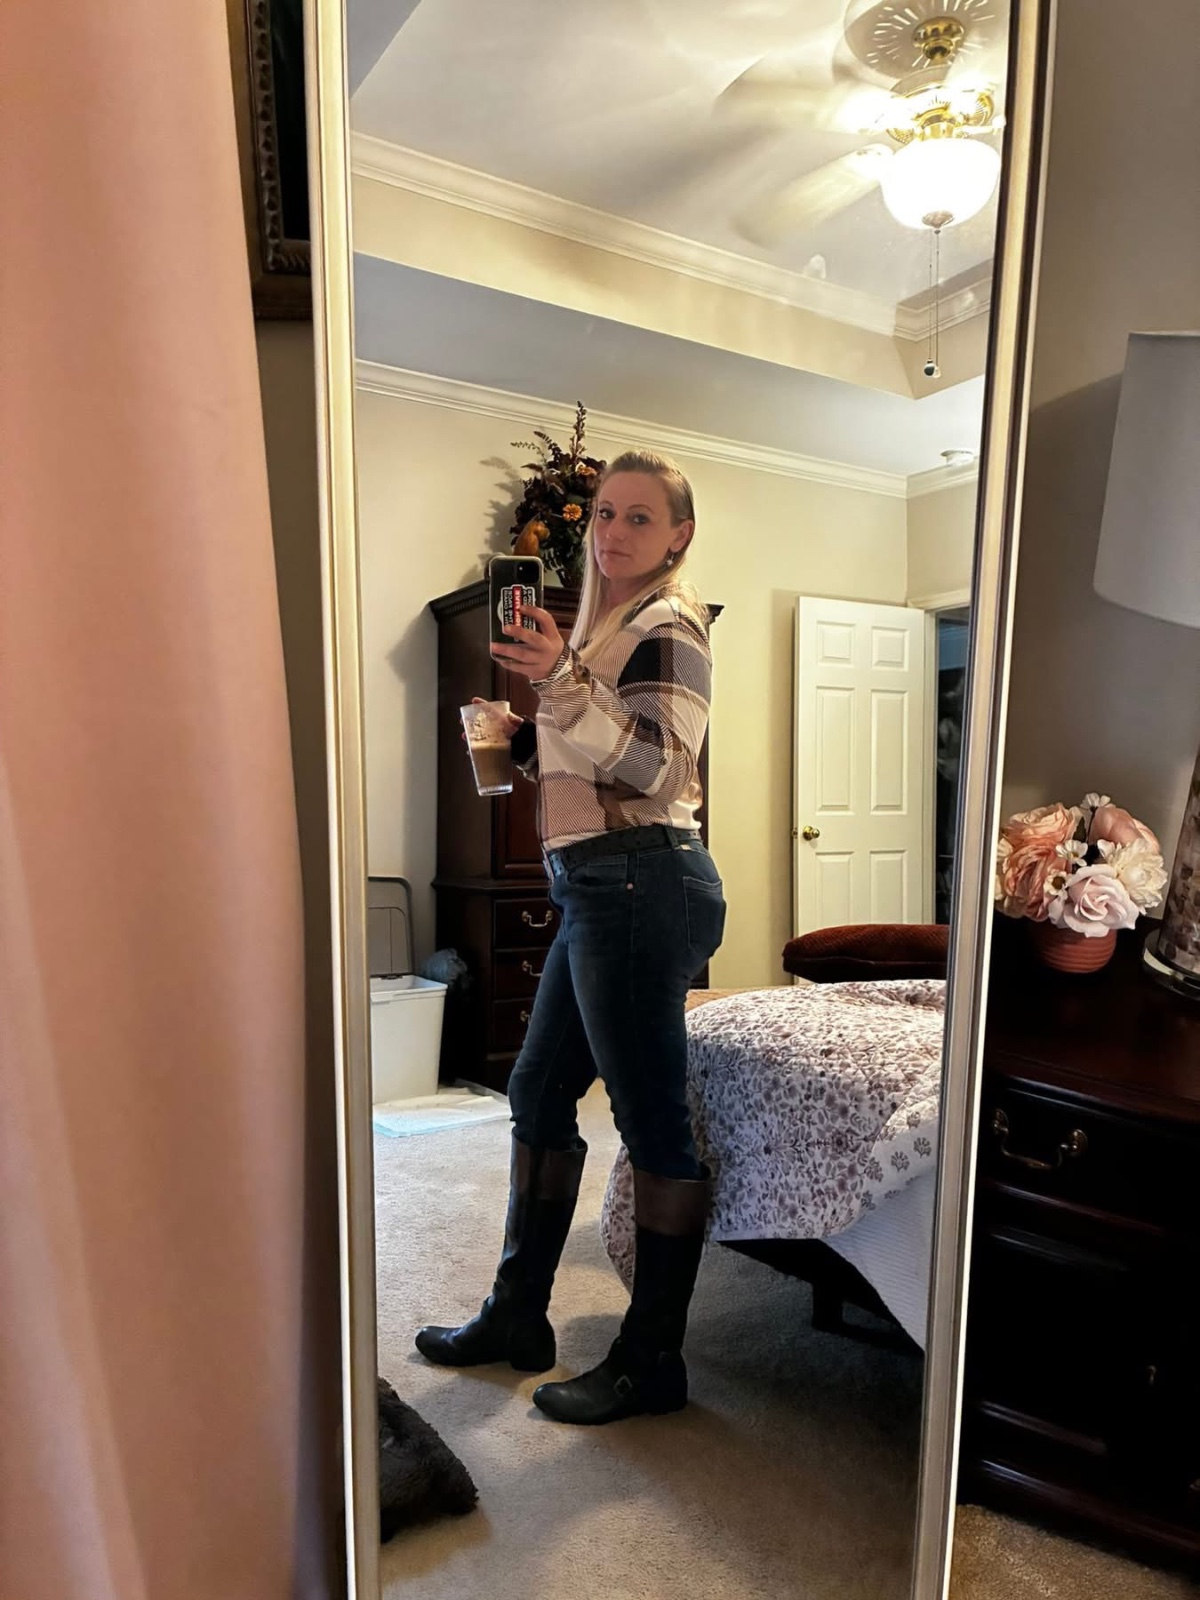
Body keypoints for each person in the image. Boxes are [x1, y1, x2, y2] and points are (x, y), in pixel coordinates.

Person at [414, 449, 725, 1426]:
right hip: (598, 884)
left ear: (677, 536)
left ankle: (652, 1360)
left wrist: (558, 681)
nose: (613, 532)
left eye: (640, 517)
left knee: (650, 1122)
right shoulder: (601, 630)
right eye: (605, 514)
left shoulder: (672, 625)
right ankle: (517, 1313)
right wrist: (522, 736)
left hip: (644, 880)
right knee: (539, 1092)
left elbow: (662, 771)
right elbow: (590, 764)